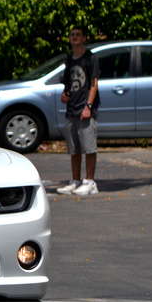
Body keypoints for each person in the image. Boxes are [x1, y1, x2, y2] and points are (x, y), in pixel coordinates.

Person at [56, 25, 100, 196]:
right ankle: (75, 181)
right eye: (72, 34)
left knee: (89, 146)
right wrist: (64, 95)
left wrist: (88, 106)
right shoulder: (69, 59)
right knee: (74, 148)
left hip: (85, 109)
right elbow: (68, 85)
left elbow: (94, 84)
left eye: (78, 34)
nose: (74, 37)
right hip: (71, 109)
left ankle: (90, 182)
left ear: (84, 38)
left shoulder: (90, 58)